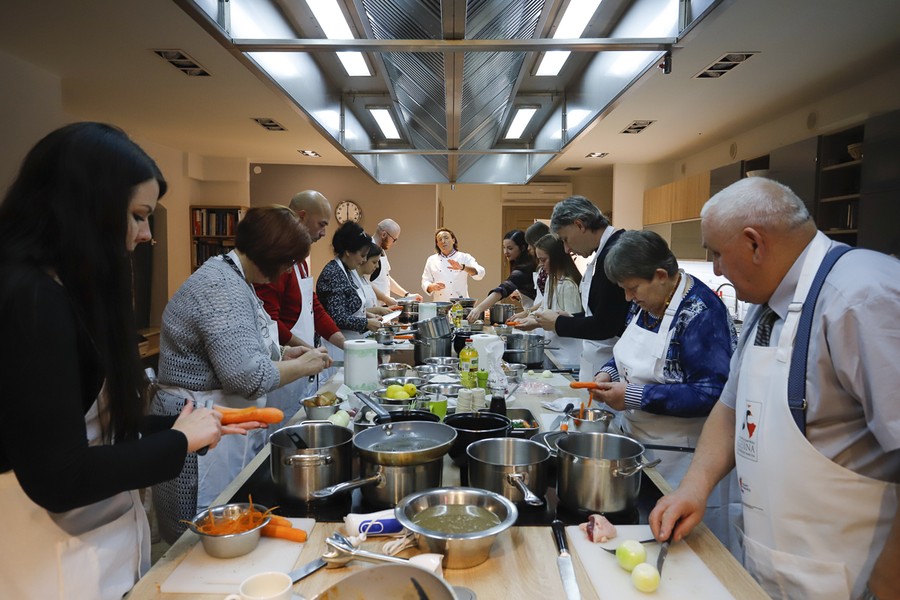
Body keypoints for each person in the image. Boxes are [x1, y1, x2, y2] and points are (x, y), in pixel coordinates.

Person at [0, 122, 251, 598]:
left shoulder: (66, 291)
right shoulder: (30, 302)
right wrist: (178, 442)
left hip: (102, 551)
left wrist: (186, 428)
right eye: (138, 217)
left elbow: (95, 428)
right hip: (52, 564)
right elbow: (60, 477)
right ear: (86, 208)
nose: (146, 234)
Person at [649, 178, 900, 600]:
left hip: (853, 577)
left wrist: (890, 581)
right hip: (779, 567)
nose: (715, 269)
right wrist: (694, 487)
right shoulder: (769, 302)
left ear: (754, 244)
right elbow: (730, 408)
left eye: (716, 253)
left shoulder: (862, 298)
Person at [152, 205, 331, 543]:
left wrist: (283, 354)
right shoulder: (220, 286)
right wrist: (303, 366)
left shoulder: (235, 277)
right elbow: (247, 377)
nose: (286, 271)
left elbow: (241, 344)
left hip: (219, 419)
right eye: (288, 262)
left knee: (229, 518)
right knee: (199, 533)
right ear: (273, 255)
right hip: (196, 421)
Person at [587, 230, 741, 556]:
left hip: (682, 460)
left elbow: (712, 392)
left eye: (632, 289)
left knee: (685, 552)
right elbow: (625, 353)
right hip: (641, 446)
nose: (628, 298)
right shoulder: (647, 303)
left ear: (660, 275)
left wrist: (634, 396)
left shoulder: (701, 313)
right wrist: (608, 372)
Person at [254, 190, 346, 431]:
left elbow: (313, 306)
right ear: (301, 216)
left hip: (301, 365)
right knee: (282, 430)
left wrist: (346, 344)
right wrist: (306, 351)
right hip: (283, 370)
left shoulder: (300, 261)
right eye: (322, 224)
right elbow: (270, 321)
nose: (324, 233)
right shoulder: (277, 261)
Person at [532, 195, 630, 380]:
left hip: (609, 367)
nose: (566, 249)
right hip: (600, 363)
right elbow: (605, 312)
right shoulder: (604, 253)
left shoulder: (614, 254)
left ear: (579, 225)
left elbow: (605, 325)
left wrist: (559, 323)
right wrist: (571, 317)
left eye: (566, 239)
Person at [514, 234, 584, 367]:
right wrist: (530, 317)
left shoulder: (568, 285)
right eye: (539, 260)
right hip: (555, 352)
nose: (541, 265)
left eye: (543, 260)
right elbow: (544, 307)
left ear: (557, 258)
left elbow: (571, 323)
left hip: (568, 357)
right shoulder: (551, 280)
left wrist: (537, 323)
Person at [317, 222, 383, 360]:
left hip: (350, 341)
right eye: (362, 255)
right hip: (335, 346)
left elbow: (348, 307)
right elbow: (337, 317)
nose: (363, 260)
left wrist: (367, 316)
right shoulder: (333, 273)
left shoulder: (346, 270)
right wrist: (366, 323)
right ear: (348, 251)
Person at [467, 229, 538, 322]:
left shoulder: (523, 268)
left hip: (537, 316)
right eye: (504, 247)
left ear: (523, 248)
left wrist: (478, 309)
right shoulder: (521, 265)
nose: (505, 252)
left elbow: (502, 289)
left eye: (510, 248)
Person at [421, 227, 486, 302]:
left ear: (453, 240)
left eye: (446, 238)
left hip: (461, 304)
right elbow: (425, 281)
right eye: (440, 239)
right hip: (440, 304)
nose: (443, 241)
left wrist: (463, 267)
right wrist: (432, 287)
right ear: (437, 244)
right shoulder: (431, 260)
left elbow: (480, 273)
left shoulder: (464, 257)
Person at [369, 218, 421, 305]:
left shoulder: (381, 250)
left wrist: (406, 295)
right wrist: (386, 299)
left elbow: (385, 277)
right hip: (372, 307)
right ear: (384, 234)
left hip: (382, 306)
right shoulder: (367, 250)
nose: (394, 243)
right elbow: (365, 282)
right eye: (394, 239)